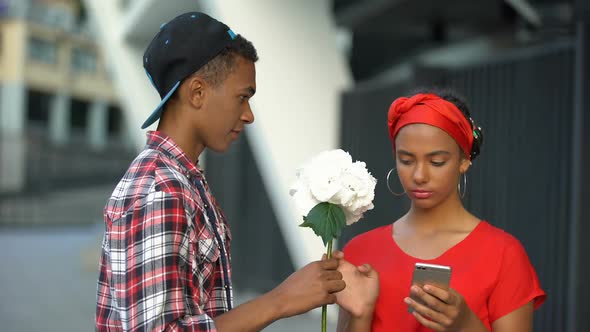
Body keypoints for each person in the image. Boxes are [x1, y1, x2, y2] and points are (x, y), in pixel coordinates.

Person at [95, 12, 367, 331]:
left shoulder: (183, 180)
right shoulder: (160, 190)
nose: (249, 115)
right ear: (197, 93)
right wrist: (280, 300)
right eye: (242, 97)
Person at [337, 89, 546, 332]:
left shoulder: (504, 255)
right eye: (406, 160)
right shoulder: (360, 251)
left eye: (436, 162)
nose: (419, 176)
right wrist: (361, 315)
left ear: (464, 160)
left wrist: (465, 324)